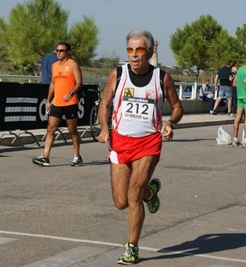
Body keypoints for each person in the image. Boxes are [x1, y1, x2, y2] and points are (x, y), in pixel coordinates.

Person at [97, 29, 183, 265]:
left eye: (139, 50)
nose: (134, 55)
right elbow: (104, 103)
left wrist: (170, 123)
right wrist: (104, 128)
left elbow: (177, 107)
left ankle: (132, 247)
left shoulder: (162, 78)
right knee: (121, 202)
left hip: (148, 143)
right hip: (120, 142)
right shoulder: (118, 74)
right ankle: (151, 192)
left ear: (150, 52)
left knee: (133, 194)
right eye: (130, 50)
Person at [32, 42, 83, 166]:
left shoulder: (73, 64)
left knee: (72, 130)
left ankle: (77, 156)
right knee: (50, 129)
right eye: (57, 50)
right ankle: (45, 156)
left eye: (61, 50)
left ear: (68, 52)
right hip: (57, 102)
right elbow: (53, 84)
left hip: (70, 102)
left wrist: (71, 93)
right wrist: (49, 100)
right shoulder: (54, 65)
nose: (58, 53)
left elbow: (79, 82)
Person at [231, 52, 246, 148]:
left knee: (237, 118)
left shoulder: (240, 69)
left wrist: (241, 86)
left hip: (239, 96)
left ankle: (235, 139)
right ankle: (245, 139)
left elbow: (234, 83)